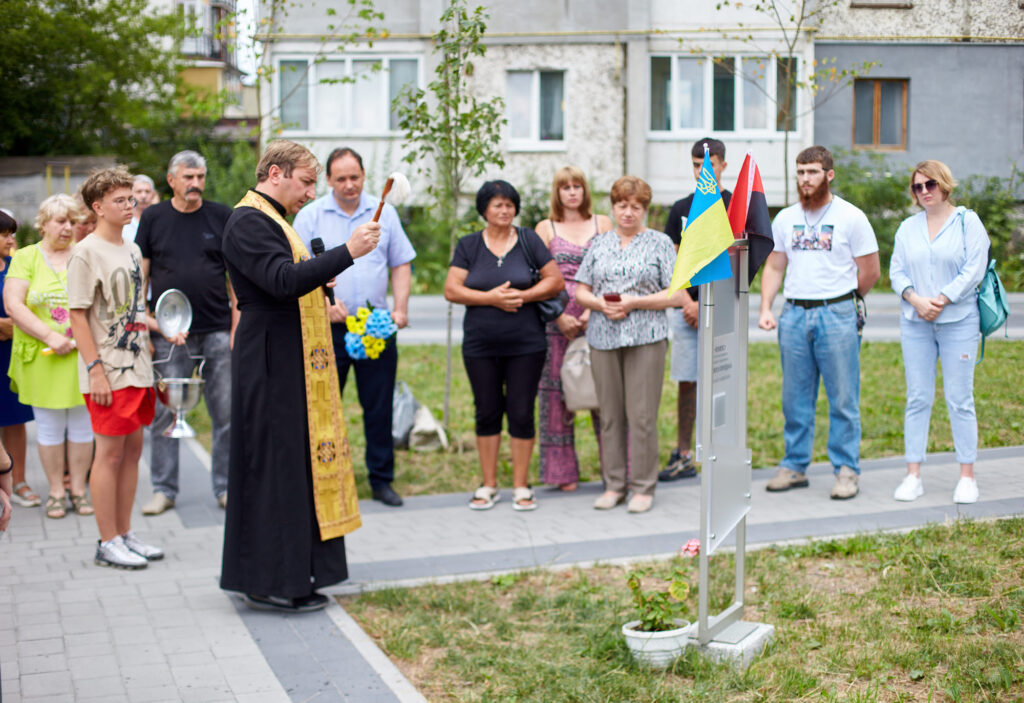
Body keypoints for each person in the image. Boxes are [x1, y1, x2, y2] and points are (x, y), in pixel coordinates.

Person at [219, 139, 381, 612]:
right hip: (269, 358)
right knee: (274, 469)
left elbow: (289, 277)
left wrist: (318, 275)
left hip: (284, 353)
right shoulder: (248, 220)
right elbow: (280, 282)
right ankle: (270, 580)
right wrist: (345, 252)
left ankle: (294, 571)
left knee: (293, 467)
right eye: (306, 182)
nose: (311, 194)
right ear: (275, 173)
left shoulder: (271, 219)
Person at [294, 147, 415, 508]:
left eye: (355, 177)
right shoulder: (310, 216)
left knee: (378, 406)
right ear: (328, 180)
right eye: (341, 178)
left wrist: (401, 308)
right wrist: (321, 306)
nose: (349, 184)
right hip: (329, 327)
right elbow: (297, 271)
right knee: (324, 405)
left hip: (376, 327)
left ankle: (381, 480)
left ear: (364, 176)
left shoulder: (385, 213)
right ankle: (320, 477)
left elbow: (401, 263)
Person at [758, 146, 880, 500]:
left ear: (829, 174)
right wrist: (767, 306)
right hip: (794, 314)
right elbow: (775, 266)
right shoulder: (785, 219)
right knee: (795, 397)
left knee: (843, 397)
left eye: (812, 172)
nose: (805, 179)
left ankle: (846, 469)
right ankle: (795, 465)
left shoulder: (851, 217)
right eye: (800, 172)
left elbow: (870, 271)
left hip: (836, 314)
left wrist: (845, 300)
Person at [444, 180, 564, 512]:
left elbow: (555, 281)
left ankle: (522, 486)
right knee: (486, 411)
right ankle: (488, 484)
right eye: (497, 205)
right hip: (480, 344)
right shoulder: (469, 245)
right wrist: (491, 299)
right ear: (484, 209)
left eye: (509, 204)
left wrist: (523, 296)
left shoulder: (529, 240)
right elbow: (452, 289)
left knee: (522, 412)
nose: (504, 210)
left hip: (526, 343)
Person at [67, 166, 161, 569]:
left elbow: (132, 308)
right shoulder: (86, 251)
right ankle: (107, 541)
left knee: (133, 451)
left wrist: (158, 333)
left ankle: (124, 532)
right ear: (98, 206)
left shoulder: (133, 248)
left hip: (138, 364)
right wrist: (95, 369)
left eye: (131, 198)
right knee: (107, 455)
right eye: (120, 200)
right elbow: (77, 315)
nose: (130, 205)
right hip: (107, 368)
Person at [136, 150, 236, 514]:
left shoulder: (222, 216)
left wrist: (236, 329)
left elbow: (235, 279)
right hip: (169, 333)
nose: (195, 184)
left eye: (200, 177)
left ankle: (225, 487)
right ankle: (164, 489)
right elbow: (141, 277)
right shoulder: (153, 217)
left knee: (224, 412)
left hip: (217, 330)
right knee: (165, 415)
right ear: (172, 180)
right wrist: (146, 326)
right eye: (188, 177)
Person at [575, 176, 681, 514]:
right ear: (613, 206)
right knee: (609, 416)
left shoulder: (660, 243)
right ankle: (615, 484)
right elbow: (580, 290)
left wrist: (635, 302)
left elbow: (677, 294)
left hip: (646, 338)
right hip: (603, 337)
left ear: (645, 209)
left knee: (642, 415)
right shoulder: (599, 243)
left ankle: (643, 486)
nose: (628, 212)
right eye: (622, 205)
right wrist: (598, 304)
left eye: (636, 206)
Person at [890, 161, 989, 504]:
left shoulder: (967, 222)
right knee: (917, 397)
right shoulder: (907, 227)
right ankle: (913, 474)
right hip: (916, 321)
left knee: (960, 399)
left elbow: (973, 269)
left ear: (944, 184)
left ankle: (966, 475)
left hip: (959, 320)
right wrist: (916, 299)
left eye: (929, 184)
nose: (924, 192)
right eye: (917, 187)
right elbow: (897, 271)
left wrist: (943, 299)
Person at [3, 194, 94, 519]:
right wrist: (51, 336)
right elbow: (14, 304)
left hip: (82, 355)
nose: (68, 227)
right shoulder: (25, 256)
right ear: (43, 224)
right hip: (42, 356)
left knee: (83, 426)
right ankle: (56, 490)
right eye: (61, 221)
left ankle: (79, 490)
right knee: (50, 428)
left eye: (72, 221)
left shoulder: (84, 254)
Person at [534, 166, 612, 491]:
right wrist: (558, 317)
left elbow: (613, 270)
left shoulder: (603, 223)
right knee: (556, 397)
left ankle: (616, 470)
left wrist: (594, 311)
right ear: (557, 192)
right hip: (558, 323)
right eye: (565, 187)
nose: (572, 192)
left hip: (599, 318)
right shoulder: (545, 227)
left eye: (577, 185)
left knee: (605, 394)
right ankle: (561, 473)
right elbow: (537, 277)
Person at [659, 138, 732, 483]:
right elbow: (675, 261)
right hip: (688, 310)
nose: (703, 170)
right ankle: (684, 453)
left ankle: (720, 450)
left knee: (723, 380)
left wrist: (713, 306)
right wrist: (689, 303)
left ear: (722, 166)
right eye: (696, 164)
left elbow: (741, 261)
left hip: (723, 309)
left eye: (710, 163)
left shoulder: (735, 205)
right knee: (687, 381)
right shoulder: (681, 208)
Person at [0, 210, 37, 509]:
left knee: (16, 420)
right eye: (6, 234)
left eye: (12, 233)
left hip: (12, 355)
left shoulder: (16, 268)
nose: (11, 240)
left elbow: (31, 307)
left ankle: (19, 480)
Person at [121, 174, 158, 243]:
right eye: (139, 191)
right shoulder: (123, 220)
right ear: (131, 194)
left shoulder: (159, 219)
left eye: (147, 192)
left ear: (153, 194)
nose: (143, 196)